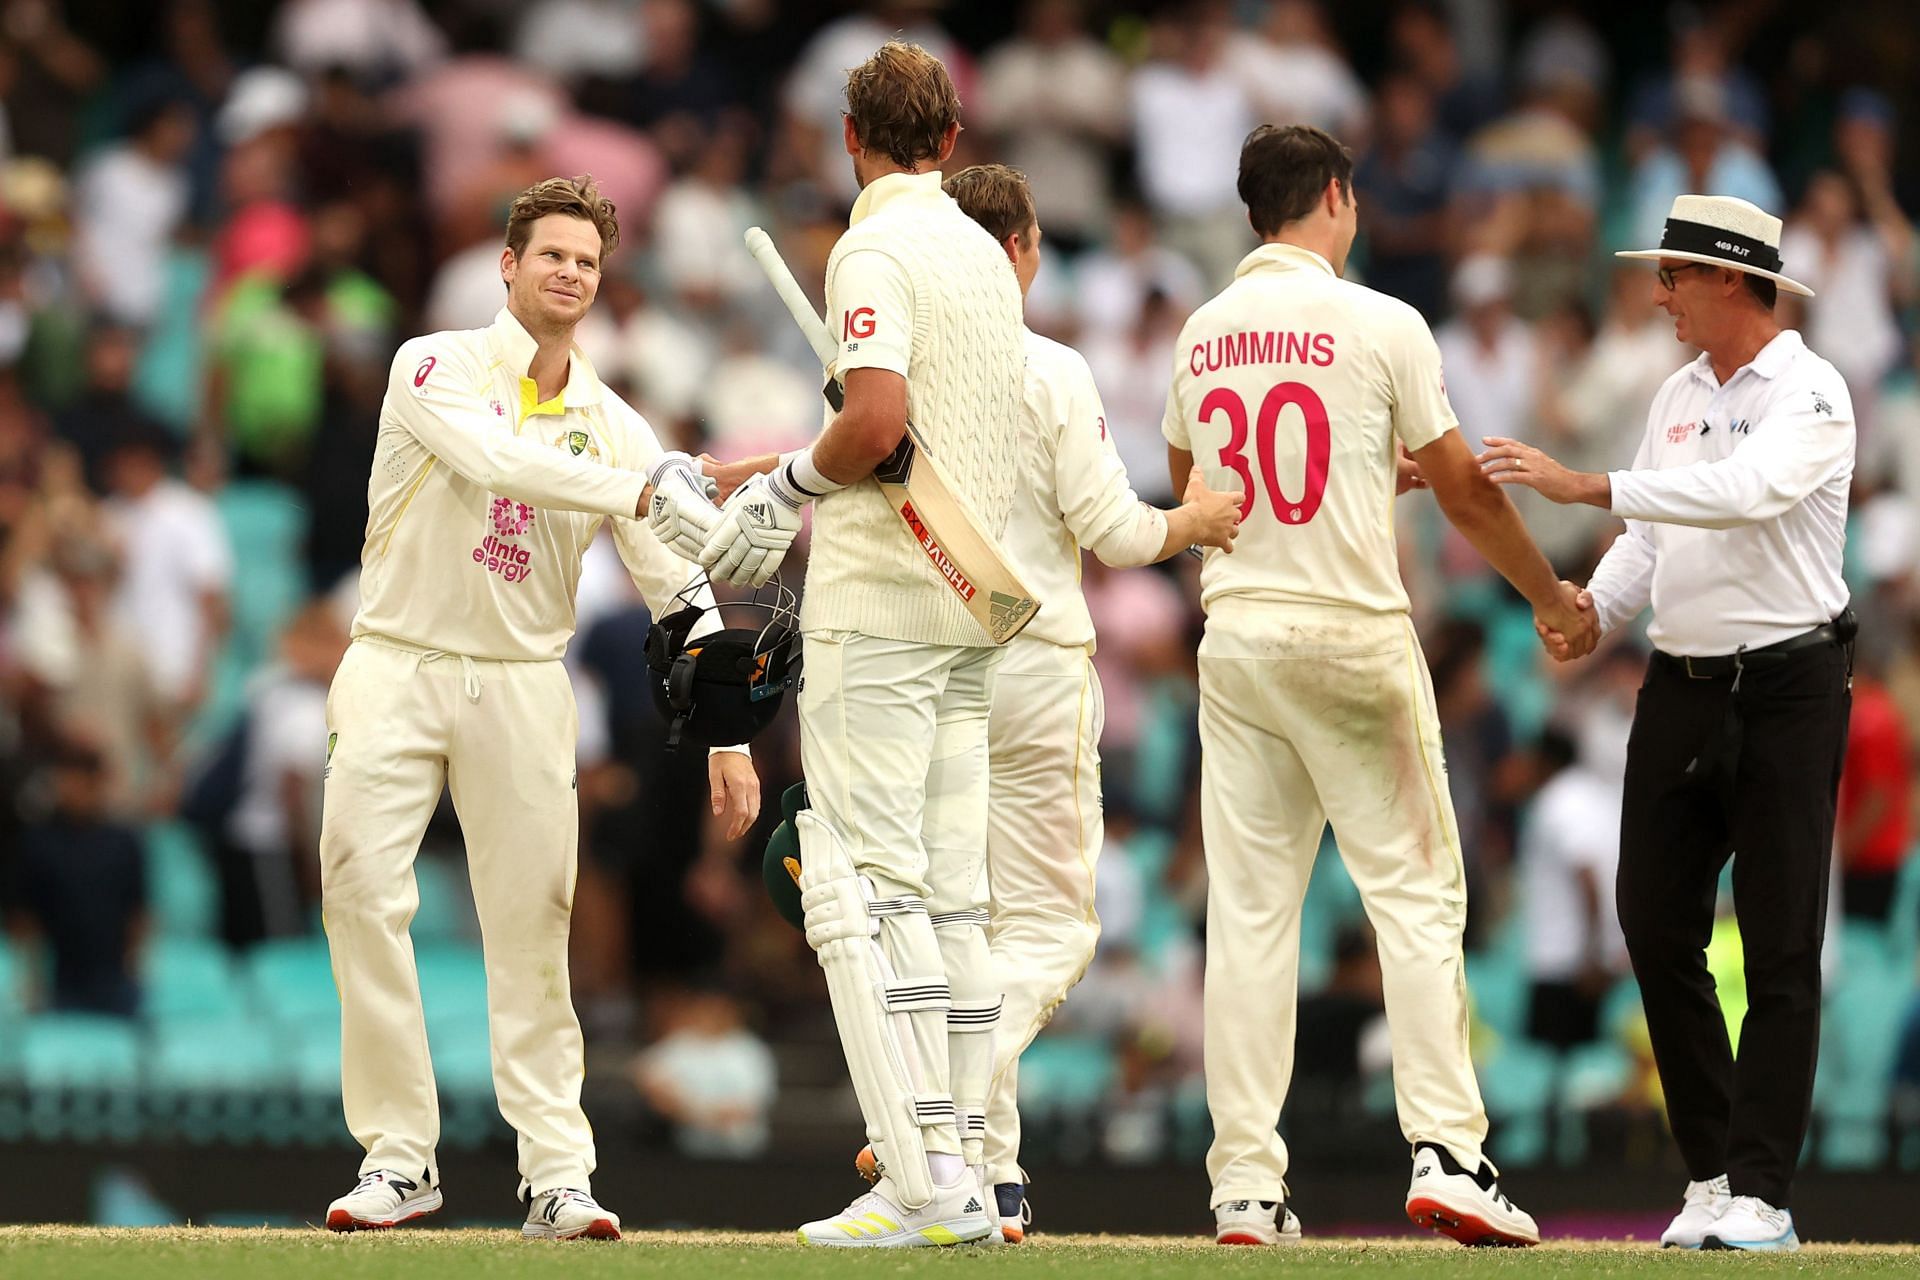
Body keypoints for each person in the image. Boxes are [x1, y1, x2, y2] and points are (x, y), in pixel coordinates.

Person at [318, 174, 761, 1241]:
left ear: (601, 284)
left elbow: (676, 585)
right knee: (360, 890)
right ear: (507, 266)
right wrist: (644, 485)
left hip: (521, 680)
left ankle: (557, 1175)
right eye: (550, 254)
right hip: (398, 658)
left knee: (533, 926)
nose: (568, 272)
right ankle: (398, 1158)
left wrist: (727, 729)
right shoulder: (432, 364)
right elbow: (491, 456)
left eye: (587, 261)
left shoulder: (614, 421)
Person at [1162, 124, 1582, 1249]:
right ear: (1339, 198)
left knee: (1250, 915)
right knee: (1414, 892)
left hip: (1240, 633)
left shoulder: (1203, 335)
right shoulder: (1383, 320)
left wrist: (1343, 486)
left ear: (1256, 212)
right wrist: (1550, 595)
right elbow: (1469, 495)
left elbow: (1194, 491)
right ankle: (1449, 1149)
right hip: (1350, 635)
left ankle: (1245, 1185)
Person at [672, 42, 1026, 1248]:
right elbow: (904, 432)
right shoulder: (985, 253)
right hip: (971, 595)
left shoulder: (871, 246)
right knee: (949, 899)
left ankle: (921, 1187)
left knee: (854, 885)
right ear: (953, 137)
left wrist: (779, 487)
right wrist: (787, 466)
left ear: (847, 135)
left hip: (882, 598)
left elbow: (874, 421)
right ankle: (970, 1169)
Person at [849, 162, 1240, 1241]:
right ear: (1019, 251)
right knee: (1055, 925)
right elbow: (1117, 535)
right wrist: (1196, 516)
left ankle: (989, 1172)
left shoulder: (892, 365)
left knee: (963, 919)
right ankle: (948, 1103)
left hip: (926, 665)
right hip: (1031, 660)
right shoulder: (1051, 366)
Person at [1482, 194, 1856, 1252]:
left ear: (1732, 279)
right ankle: (1711, 1175)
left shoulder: (1815, 392)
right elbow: (1651, 536)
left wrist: (1584, 481)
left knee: (1782, 942)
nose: (1660, 295)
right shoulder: (1679, 394)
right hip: (1683, 683)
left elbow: (1746, 492)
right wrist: (1596, 612)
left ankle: (1765, 1195)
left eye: (1676, 275)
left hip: (1791, 683)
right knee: (1651, 918)